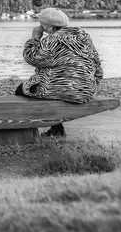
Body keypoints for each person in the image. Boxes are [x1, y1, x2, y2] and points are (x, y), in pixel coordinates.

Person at [15, 8, 103, 137]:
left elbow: (32, 58)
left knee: (21, 90)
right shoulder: (84, 37)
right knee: (48, 86)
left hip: (58, 89)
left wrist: (35, 38)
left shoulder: (52, 41)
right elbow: (97, 65)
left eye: (42, 25)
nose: (40, 27)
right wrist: (92, 84)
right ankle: (56, 129)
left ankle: (33, 131)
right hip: (86, 91)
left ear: (50, 28)